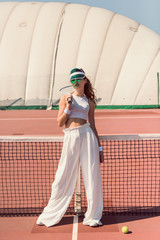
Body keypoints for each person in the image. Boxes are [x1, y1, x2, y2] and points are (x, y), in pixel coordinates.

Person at [36, 68, 104, 227]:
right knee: (62, 176)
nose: (76, 82)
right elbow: (60, 123)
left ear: (85, 80)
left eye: (79, 79)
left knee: (92, 176)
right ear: (71, 82)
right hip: (71, 137)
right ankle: (50, 214)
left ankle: (93, 216)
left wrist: (100, 149)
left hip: (88, 137)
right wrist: (68, 107)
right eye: (73, 80)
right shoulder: (65, 98)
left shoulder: (90, 102)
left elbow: (93, 126)